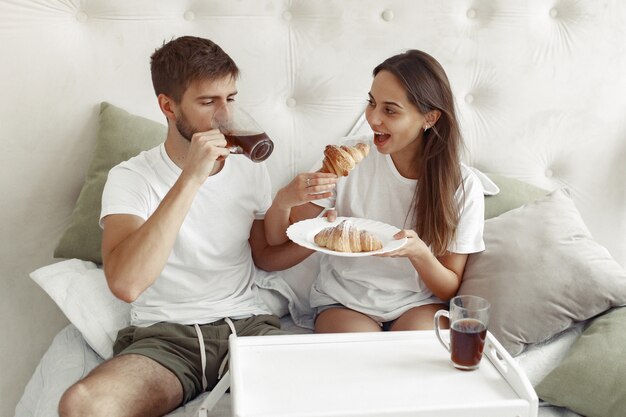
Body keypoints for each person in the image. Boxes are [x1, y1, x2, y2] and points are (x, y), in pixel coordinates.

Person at [58, 36, 333, 417]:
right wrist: (190, 179)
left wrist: (320, 238)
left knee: (329, 392)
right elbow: (126, 283)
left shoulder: (249, 168)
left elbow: (264, 257)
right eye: (208, 102)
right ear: (168, 106)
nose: (225, 116)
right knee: (83, 406)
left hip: (246, 326)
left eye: (230, 99)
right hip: (166, 338)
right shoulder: (132, 177)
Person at [265, 49, 485, 333]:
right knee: (362, 359)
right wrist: (284, 202)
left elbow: (448, 289)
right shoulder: (347, 158)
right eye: (371, 103)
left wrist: (419, 253)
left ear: (429, 118)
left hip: (417, 303)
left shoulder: (462, 187)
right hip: (344, 301)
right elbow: (286, 237)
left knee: (409, 362)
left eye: (390, 110)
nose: (373, 119)